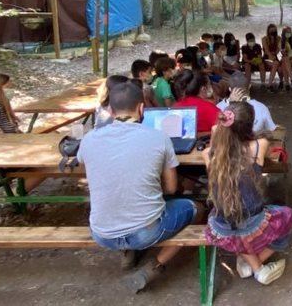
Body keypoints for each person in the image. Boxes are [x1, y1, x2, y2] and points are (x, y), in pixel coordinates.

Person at [79, 83, 203, 292]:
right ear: (141, 108)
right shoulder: (158, 137)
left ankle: (128, 253)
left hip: (102, 234)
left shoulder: (89, 139)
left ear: (110, 110)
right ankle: (155, 266)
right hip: (146, 232)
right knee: (198, 208)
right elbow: (172, 189)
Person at [204, 102, 292, 284]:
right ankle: (258, 266)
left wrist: (219, 132)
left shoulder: (209, 154)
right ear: (250, 125)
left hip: (220, 226)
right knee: (288, 215)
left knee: (236, 223)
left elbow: (217, 136)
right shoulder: (259, 145)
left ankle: (249, 262)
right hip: (251, 221)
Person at [172, 70, 221, 137]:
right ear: (203, 89)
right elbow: (224, 132)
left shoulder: (175, 107)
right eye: (209, 84)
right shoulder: (210, 108)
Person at [261, 24, 282, 92]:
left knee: (279, 68)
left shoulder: (278, 38)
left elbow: (278, 50)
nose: (273, 31)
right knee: (276, 64)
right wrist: (272, 57)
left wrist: (275, 54)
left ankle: (281, 82)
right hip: (266, 58)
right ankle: (269, 85)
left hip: (275, 58)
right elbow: (266, 51)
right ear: (268, 31)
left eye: (274, 30)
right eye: (271, 30)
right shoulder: (264, 39)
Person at [279, 26, 292, 92]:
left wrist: (289, 57)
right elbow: (282, 54)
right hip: (286, 60)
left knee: (285, 60)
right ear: (283, 33)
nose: (288, 33)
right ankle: (291, 80)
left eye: (289, 32)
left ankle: (287, 83)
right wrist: (284, 52)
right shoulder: (281, 42)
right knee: (285, 61)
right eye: (287, 32)